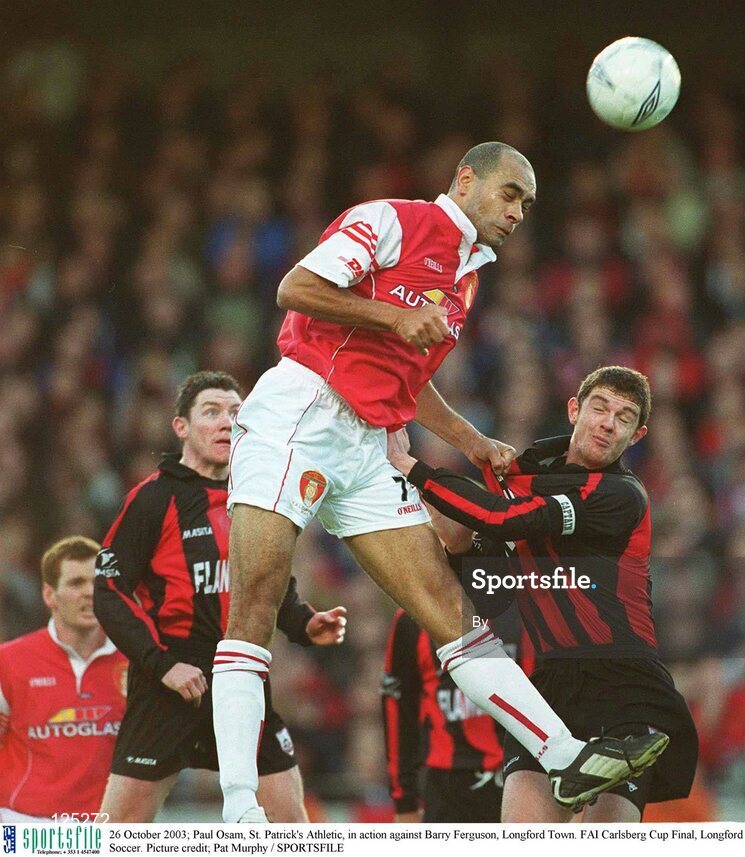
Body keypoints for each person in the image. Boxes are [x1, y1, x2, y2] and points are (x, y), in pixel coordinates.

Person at [216, 141, 667, 823]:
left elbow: (410, 379)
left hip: (369, 441)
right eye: (509, 193)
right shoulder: (393, 221)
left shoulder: (468, 275)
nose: (518, 212)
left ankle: (565, 756)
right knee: (253, 603)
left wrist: (472, 440)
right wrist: (396, 316)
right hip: (301, 409)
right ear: (465, 180)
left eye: (526, 203)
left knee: (454, 616)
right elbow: (296, 289)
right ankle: (239, 808)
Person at [387, 366, 699, 822]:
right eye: (600, 407)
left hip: (624, 692)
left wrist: (412, 467)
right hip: (548, 687)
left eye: (625, 417)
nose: (609, 422)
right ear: (574, 410)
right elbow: (484, 568)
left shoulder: (621, 494)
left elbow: (503, 520)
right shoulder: (523, 474)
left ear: (637, 436)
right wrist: (457, 543)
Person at [93, 371, 347, 823]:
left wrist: (303, 622)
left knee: (292, 827)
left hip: (242, 673)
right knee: (118, 834)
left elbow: (264, 582)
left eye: (236, 413)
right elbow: (109, 591)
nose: (227, 422)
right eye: (211, 412)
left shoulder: (255, 495)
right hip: (171, 681)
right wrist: (162, 665)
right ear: (181, 428)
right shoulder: (154, 499)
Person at [0, 537, 128, 822]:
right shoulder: (8, 662)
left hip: (107, 828)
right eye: (76, 583)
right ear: (49, 595)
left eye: (97, 583)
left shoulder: (135, 663)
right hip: (24, 824)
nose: (89, 593)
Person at [382, 606, 534, 823]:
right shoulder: (413, 614)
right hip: (448, 792)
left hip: (525, 777)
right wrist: (404, 804)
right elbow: (398, 709)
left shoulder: (532, 603)